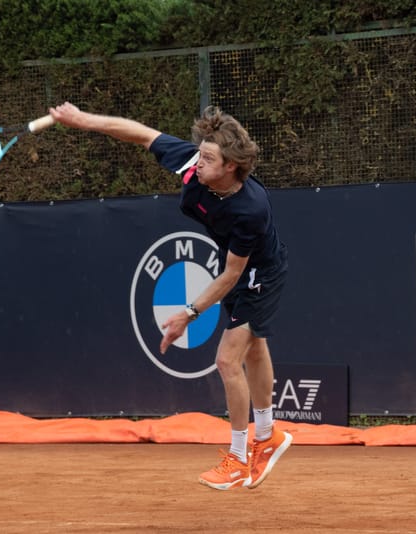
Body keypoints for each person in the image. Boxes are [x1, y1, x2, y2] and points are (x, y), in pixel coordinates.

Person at [49, 102, 292, 490]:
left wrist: (187, 313)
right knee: (254, 348)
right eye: (200, 153)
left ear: (231, 166)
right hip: (237, 266)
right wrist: (82, 120)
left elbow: (232, 274)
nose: (198, 163)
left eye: (209, 158)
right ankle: (268, 436)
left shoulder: (250, 209)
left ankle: (238, 456)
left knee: (228, 361)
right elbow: (140, 132)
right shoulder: (193, 163)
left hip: (259, 273)